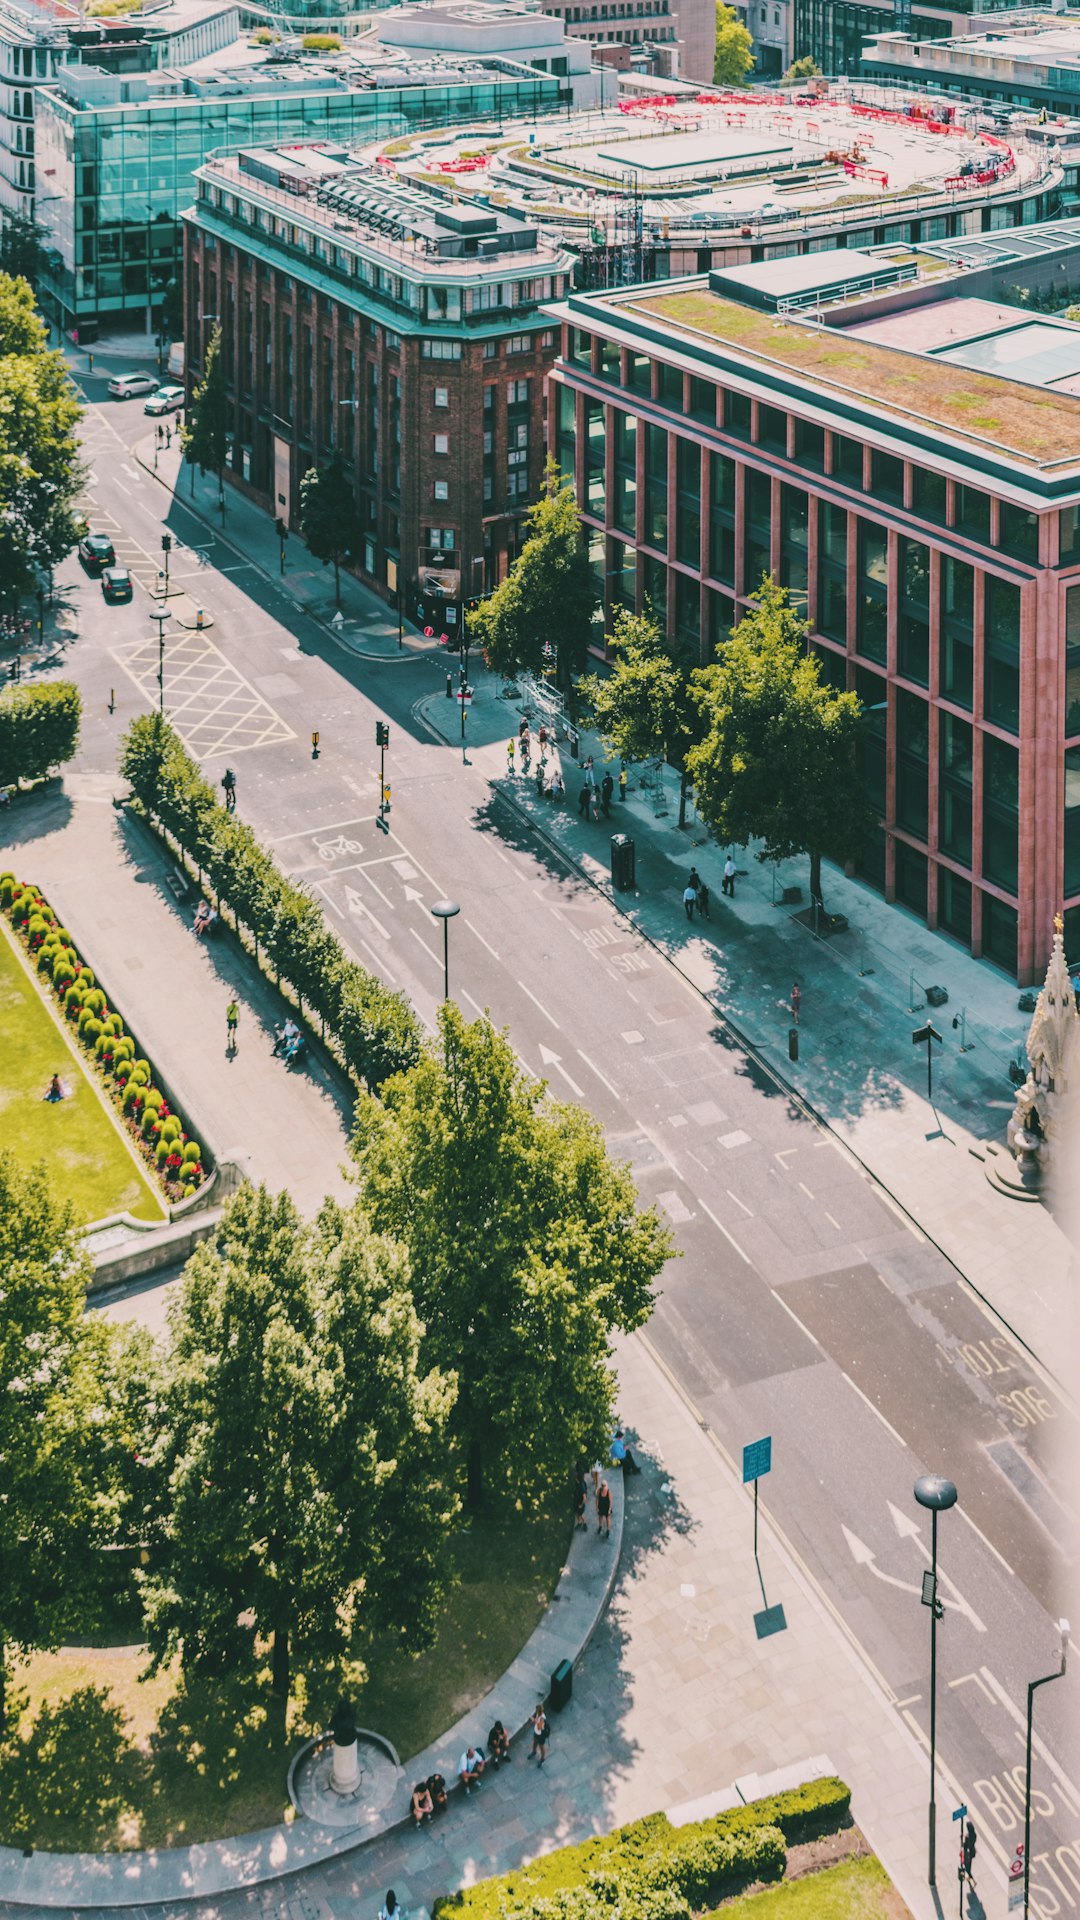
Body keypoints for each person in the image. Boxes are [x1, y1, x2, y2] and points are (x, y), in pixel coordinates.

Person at [962, 1819, 977, 1889]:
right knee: (970, 1864)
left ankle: (974, 1881)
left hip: (967, 1853)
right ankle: (968, 1877)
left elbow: (964, 1845)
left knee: (966, 1867)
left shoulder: (967, 1837)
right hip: (972, 1852)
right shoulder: (974, 1834)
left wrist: (963, 1839)